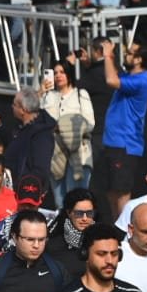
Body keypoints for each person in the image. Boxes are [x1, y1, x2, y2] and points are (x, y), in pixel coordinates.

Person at [100, 40, 147, 217]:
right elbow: (115, 74)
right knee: (111, 191)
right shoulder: (129, 77)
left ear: (138, 59)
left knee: (122, 192)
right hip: (113, 143)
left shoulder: (142, 80)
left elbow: (111, 80)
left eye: (129, 53)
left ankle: (124, 230)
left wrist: (107, 55)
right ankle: (116, 227)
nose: (126, 55)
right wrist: (112, 58)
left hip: (126, 144)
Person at [41, 60, 94, 205]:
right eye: (55, 73)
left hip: (78, 152)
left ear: (69, 74)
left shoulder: (80, 94)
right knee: (60, 201)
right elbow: (37, 119)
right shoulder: (48, 96)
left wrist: (69, 127)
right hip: (55, 153)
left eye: (62, 72)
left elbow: (90, 123)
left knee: (76, 199)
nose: (58, 76)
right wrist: (41, 92)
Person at [45, 188, 96, 282]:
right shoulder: (53, 246)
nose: (84, 218)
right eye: (79, 213)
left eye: (89, 213)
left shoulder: (101, 242)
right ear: (69, 213)